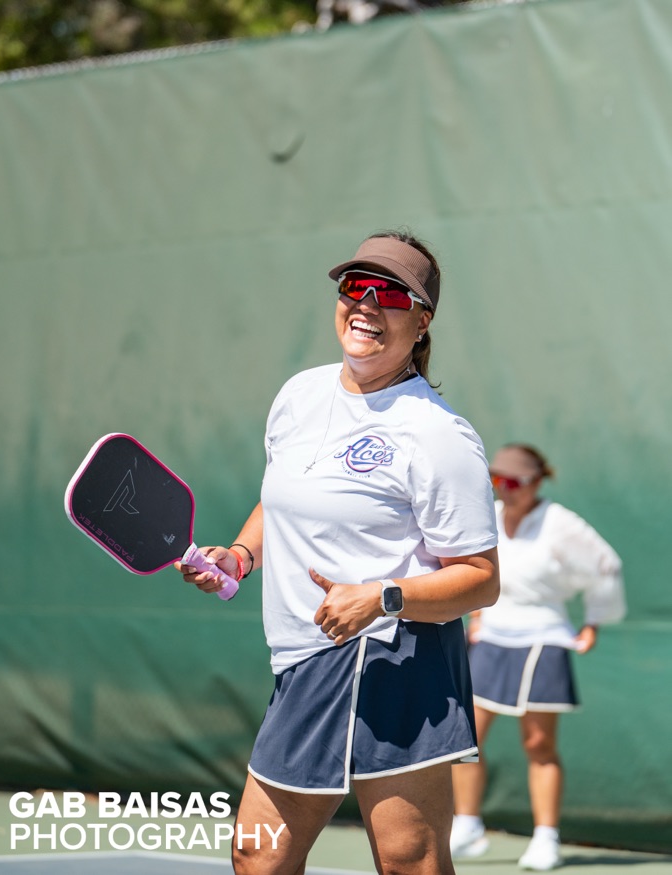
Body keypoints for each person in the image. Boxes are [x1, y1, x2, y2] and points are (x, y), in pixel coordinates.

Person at [177, 230, 500, 875]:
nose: (366, 305)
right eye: (356, 287)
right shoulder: (299, 396)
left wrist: (382, 597)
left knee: (409, 859)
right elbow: (283, 497)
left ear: (422, 319)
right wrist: (240, 556)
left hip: (395, 657)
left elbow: (481, 579)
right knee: (256, 856)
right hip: (305, 655)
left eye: (389, 294)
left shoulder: (437, 433)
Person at [450, 443, 626, 871]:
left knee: (539, 743)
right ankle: (467, 825)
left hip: (544, 635)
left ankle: (546, 837)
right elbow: (468, 566)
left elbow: (607, 566)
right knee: (464, 739)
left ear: (536, 482)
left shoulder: (562, 524)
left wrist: (594, 621)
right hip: (492, 634)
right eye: (497, 480)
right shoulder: (486, 515)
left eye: (513, 482)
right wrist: (475, 613)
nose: (504, 490)